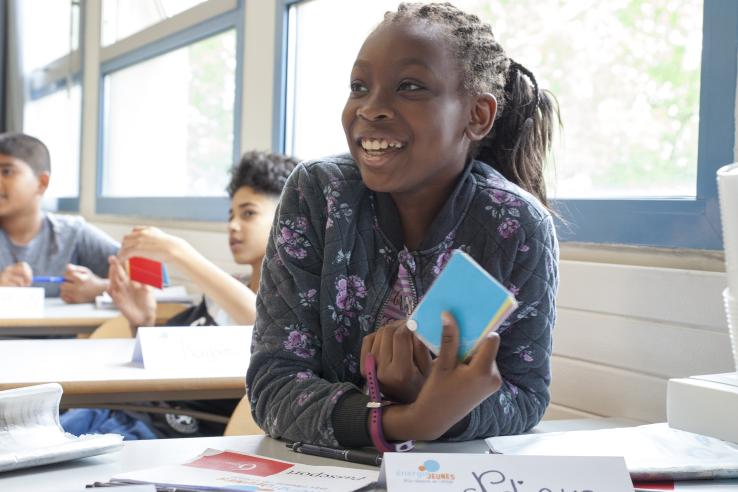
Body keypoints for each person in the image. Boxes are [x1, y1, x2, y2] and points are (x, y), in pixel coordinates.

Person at [246, 2, 560, 449]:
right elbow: (273, 385)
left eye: (409, 87)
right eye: (359, 86)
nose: (371, 109)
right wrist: (409, 419)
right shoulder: (320, 194)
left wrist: (433, 400)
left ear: (477, 115)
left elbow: (525, 396)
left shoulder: (515, 224)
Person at [60, 150, 298, 439]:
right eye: (231, 214)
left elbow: (263, 322)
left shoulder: (290, 303)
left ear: (287, 218)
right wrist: (142, 323)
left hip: (169, 433)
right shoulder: (221, 293)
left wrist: (179, 253)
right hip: (126, 411)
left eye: (248, 213)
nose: (233, 225)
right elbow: (170, 369)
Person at [0, 132, 118, 302]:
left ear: (42, 183)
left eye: (7, 172)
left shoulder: (73, 234)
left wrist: (100, 288)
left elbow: (155, 282)